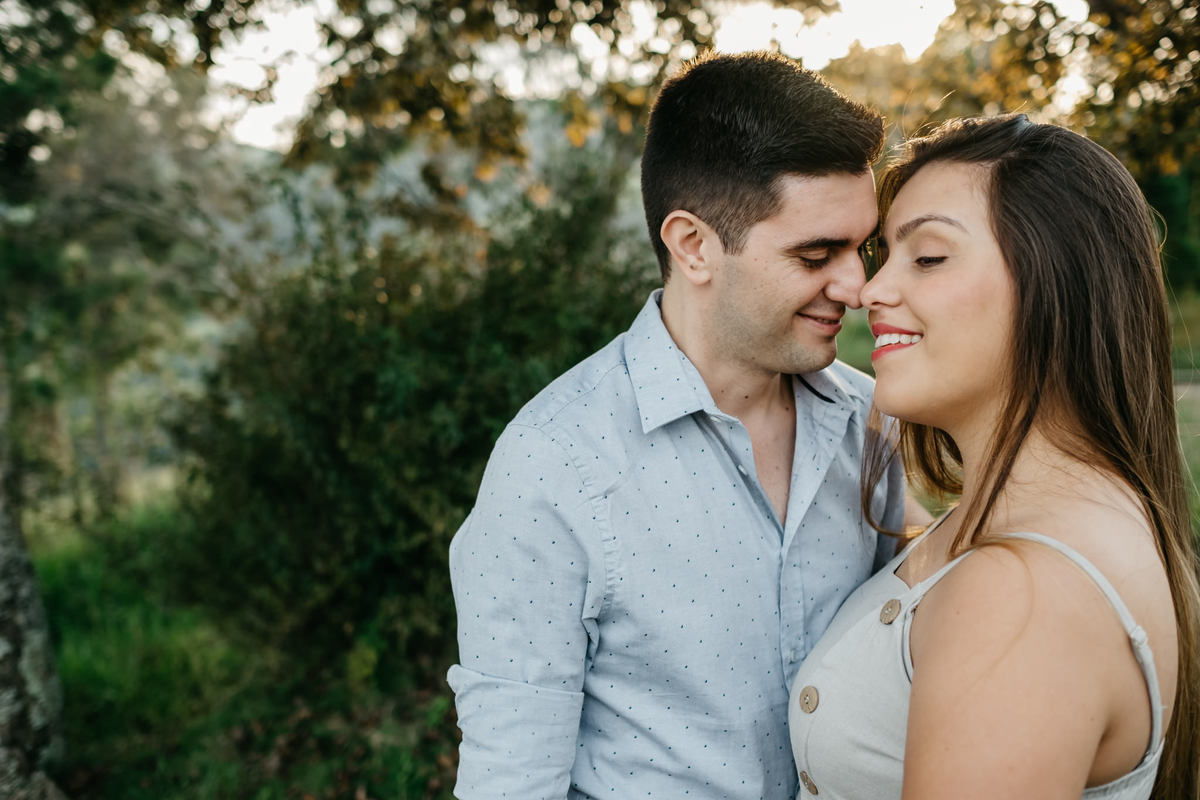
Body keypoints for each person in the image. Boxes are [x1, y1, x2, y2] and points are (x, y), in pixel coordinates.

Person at [448, 51, 925, 799]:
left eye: (860, 248)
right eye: (815, 254)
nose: (857, 286)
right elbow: (512, 781)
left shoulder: (873, 423)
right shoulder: (553, 464)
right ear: (693, 245)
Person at [787, 113, 1200, 800]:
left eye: (928, 257)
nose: (870, 291)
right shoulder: (1051, 515)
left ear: (1056, 281)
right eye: (884, 255)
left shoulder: (1023, 598)